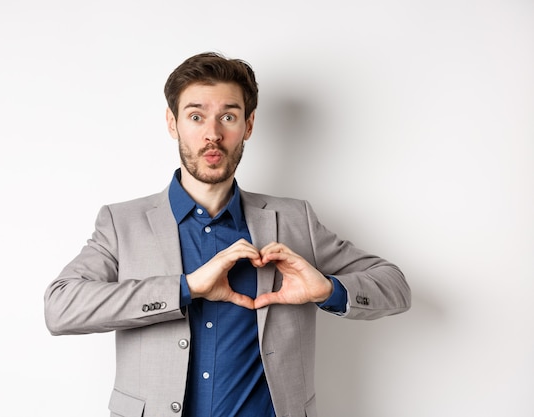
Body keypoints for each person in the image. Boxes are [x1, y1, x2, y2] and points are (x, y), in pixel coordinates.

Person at [44, 52, 411, 417]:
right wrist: (185, 287)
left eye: (229, 117)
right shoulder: (122, 223)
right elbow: (60, 308)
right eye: (196, 116)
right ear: (173, 123)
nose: (212, 134)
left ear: (248, 125)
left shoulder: (294, 219)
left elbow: (395, 286)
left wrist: (329, 289)